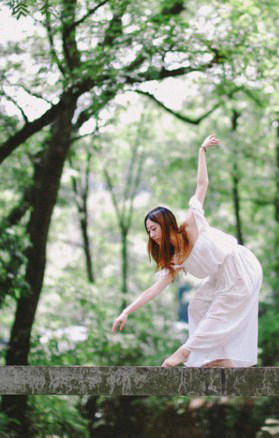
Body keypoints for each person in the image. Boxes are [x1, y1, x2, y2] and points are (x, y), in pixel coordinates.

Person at [111, 134, 263, 367]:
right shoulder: (173, 259)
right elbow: (153, 290)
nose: (151, 235)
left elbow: (202, 185)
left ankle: (185, 352)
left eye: (153, 229)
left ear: (165, 223)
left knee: (219, 311)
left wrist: (201, 151)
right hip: (219, 276)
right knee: (198, 305)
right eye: (148, 232)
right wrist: (127, 311)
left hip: (239, 266)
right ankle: (218, 358)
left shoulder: (190, 224)